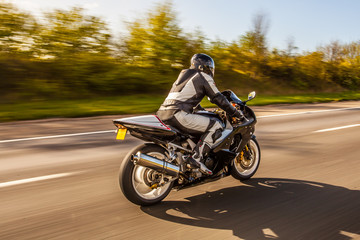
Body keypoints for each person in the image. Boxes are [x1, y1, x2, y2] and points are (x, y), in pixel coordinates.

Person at [156, 53, 245, 175]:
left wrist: (205, 111)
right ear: (204, 67)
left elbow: (189, 101)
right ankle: (196, 158)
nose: (211, 70)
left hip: (163, 114)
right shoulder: (202, 76)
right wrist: (236, 113)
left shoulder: (183, 76)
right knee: (216, 125)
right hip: (178, 114)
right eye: (209, 67)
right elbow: (218, 97)